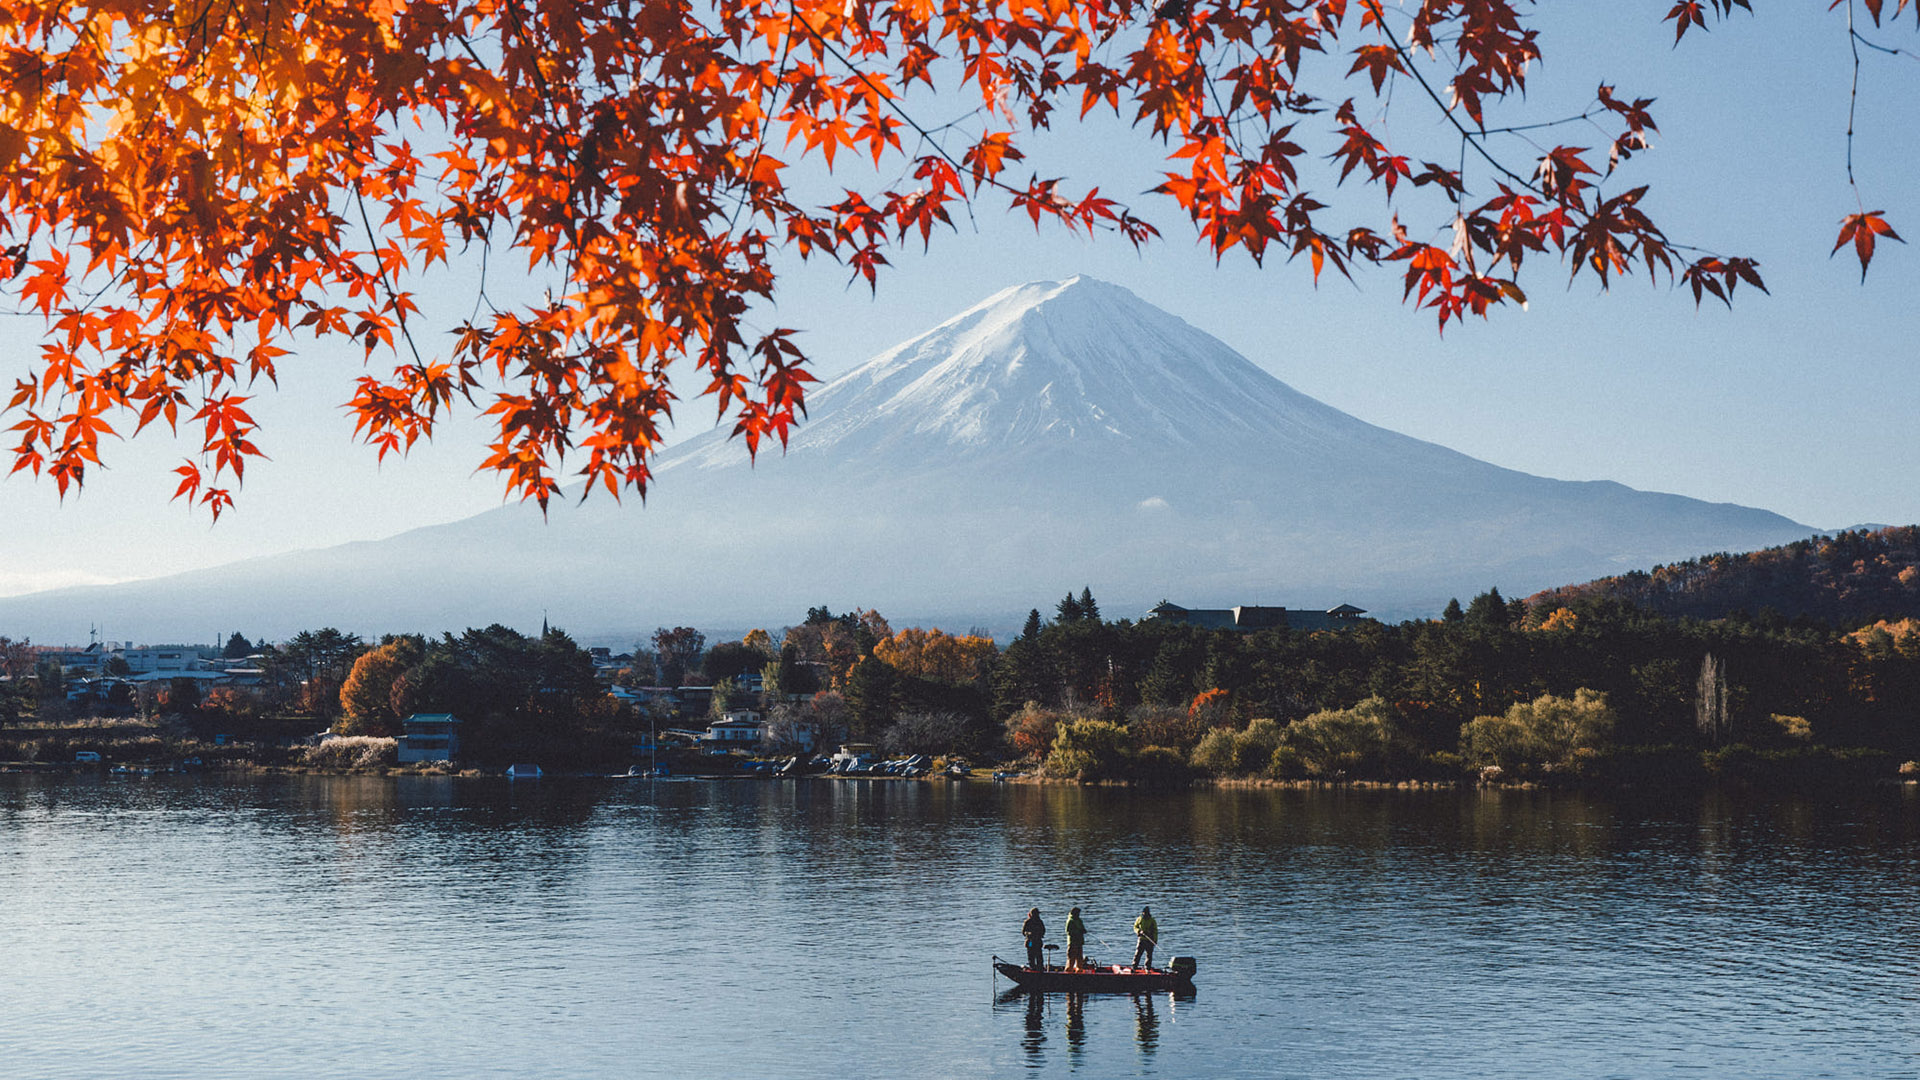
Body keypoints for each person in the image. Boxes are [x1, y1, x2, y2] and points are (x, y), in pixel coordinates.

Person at [1132, 905, 1159, 970]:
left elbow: (1155, 931)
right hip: (1141, 939)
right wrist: (1139, 931)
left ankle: (1147, 968)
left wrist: (1155, 940)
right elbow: (1135, 927)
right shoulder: (1139, 919)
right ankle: (1134, 966)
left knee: (1149, 955)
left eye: (1146, 913)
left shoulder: (1152, 920)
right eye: (1144, 912)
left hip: (1149, 940)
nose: (1144, 914)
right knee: (1138, 954)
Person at [1064, 906, 1087, 971]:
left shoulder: (1079, 920)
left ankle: (1079, 970)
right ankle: (1069, 971)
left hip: (1079, 941)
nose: (1078, 914)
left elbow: (1082, 928)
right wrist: (1078, 932)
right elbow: (1068, 932)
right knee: (1071, 957)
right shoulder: (1070, 921)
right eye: (1077, 913)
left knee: (1079, 957)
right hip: (1073, 942)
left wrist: (1083, 930)